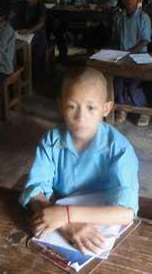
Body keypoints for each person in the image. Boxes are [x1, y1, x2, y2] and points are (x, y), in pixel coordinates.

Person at [20, 67, 139, 254]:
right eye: (71, 106)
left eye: (91, 108)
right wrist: (67, 224)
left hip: (101, 225)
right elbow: (35, 189)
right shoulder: (52, 140)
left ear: (106, 108)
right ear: (60, 106)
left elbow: (126, 213)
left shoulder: (120, 149)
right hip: (58, 223)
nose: (80, 117)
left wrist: (66, 214)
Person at [112, 0, 151, 127]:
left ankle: (143, 110)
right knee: (118, 82)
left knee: (135, 86)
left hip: (139, 57)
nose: (129, 0)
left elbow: (144, 40)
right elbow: (115, 37)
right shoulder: (118, 17)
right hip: (121, 57)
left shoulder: (144, 17)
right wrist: (113, 53)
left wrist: (129, 53)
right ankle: (122, 109)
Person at [12, 0, 47, 75]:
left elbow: (41, 23)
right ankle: (22, 71)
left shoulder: (41, 6)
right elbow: (17, 18)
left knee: (35, 55)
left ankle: (34, 73)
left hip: (37, 33)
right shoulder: (23, 4)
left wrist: (28, 31)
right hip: (24, 33)